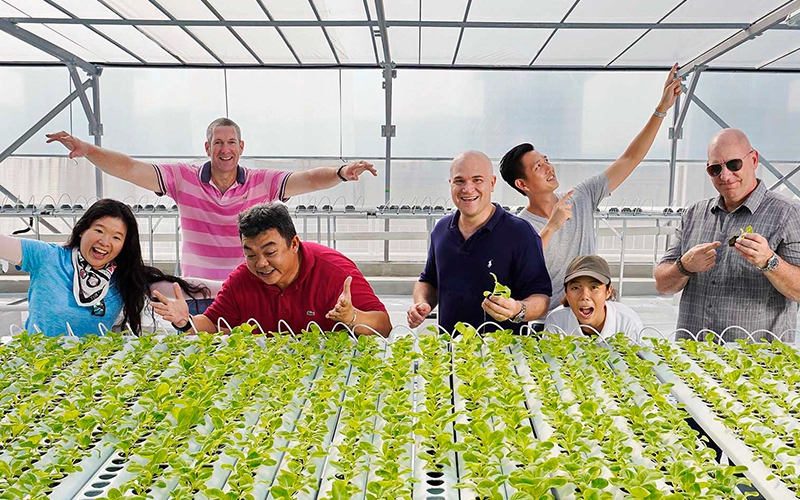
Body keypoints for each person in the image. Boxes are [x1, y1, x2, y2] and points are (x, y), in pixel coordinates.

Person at [45, 117, 377, 294]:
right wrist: (89, 150)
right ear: (207, 146)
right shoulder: (182, 177)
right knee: (201, 362)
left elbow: (307, 179)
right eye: (218, 142)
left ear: (241, 147)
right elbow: (131, 168)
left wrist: (341, 173)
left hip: (247, 286)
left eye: (231, 142)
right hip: (195, 289)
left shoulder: (261, 181)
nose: (225, 148)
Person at [499, 64, 683, 315]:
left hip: (592, 319)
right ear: (522, 184)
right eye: (538, 167)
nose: (549, 168)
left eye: (546, 160)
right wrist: (551, 227)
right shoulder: (518, 226)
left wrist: (661, 109)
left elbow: (629, 160)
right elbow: (518, 267)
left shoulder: (581, 196)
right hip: (548, 324)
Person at [151, 202, 391, 336]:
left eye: (270, 252)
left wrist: (352, 317)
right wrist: (185, 322)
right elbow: (213, 324)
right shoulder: (242, 279)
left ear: (293, 244)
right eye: (250, 254)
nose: (261, 264)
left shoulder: (334, 272)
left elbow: (384, 325)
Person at [654, 128, 800, 342]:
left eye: (734, 165)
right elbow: (662, 285)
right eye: (715, 168)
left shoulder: (788, 214)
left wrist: (769, 261)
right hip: (693, 358)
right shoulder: (695, 214)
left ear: (754, 160)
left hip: (757, 363)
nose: (725, 175)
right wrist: (684, 266)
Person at [0, 199, 208, 337]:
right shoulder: (46, 257)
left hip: (91, 375)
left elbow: (184, 286)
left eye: (116, 237)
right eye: (99, 230)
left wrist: (236, 279)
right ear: (82, 230)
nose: (105, 241)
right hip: (35, 367)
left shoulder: (125, 275)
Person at [407, 150, 551, 335]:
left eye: (477, 180)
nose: (468, 189)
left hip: (503, 355)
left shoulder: (520, 233)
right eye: (459, 181)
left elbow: (541, 298)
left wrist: (517, 309)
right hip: (450, 353)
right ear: (450, 184)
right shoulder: (442, 230)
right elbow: (428, 280)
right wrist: (422, 303)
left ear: (492, 183)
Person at [545, 255, 642, 342]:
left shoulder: (627, 322)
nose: (584, 296)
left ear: (608, 291)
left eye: (594, 287)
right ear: (566, 292)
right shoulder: (556, 321)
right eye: (576, 288)